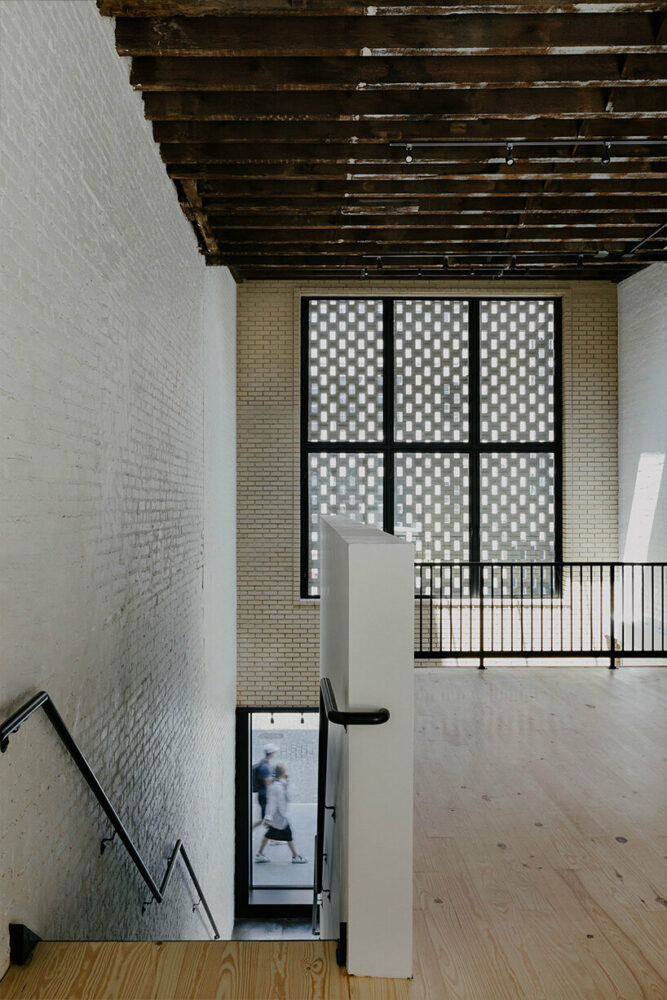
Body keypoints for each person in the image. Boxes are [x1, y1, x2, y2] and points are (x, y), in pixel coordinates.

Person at [255, 763, 307, 864]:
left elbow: (284, 787)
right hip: (279, 818)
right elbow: (271, 804)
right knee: (288, 835)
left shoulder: (277, 784)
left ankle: (259, 854)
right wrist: (268, 818)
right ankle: (295, 856)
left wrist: (286, 780)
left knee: (269, 834)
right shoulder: (276, 787)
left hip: (277, 818)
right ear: (282, 773)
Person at [251, 744, 277, 832]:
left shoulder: (262, 762)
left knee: (267, 818)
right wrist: (275, 779)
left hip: (262, 795)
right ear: (271, 753)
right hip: (264, 795)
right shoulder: (265, 767)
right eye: (274, 752)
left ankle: (273, 836)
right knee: (266, 818)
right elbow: (267, 782)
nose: (274, 754)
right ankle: (248, 830)